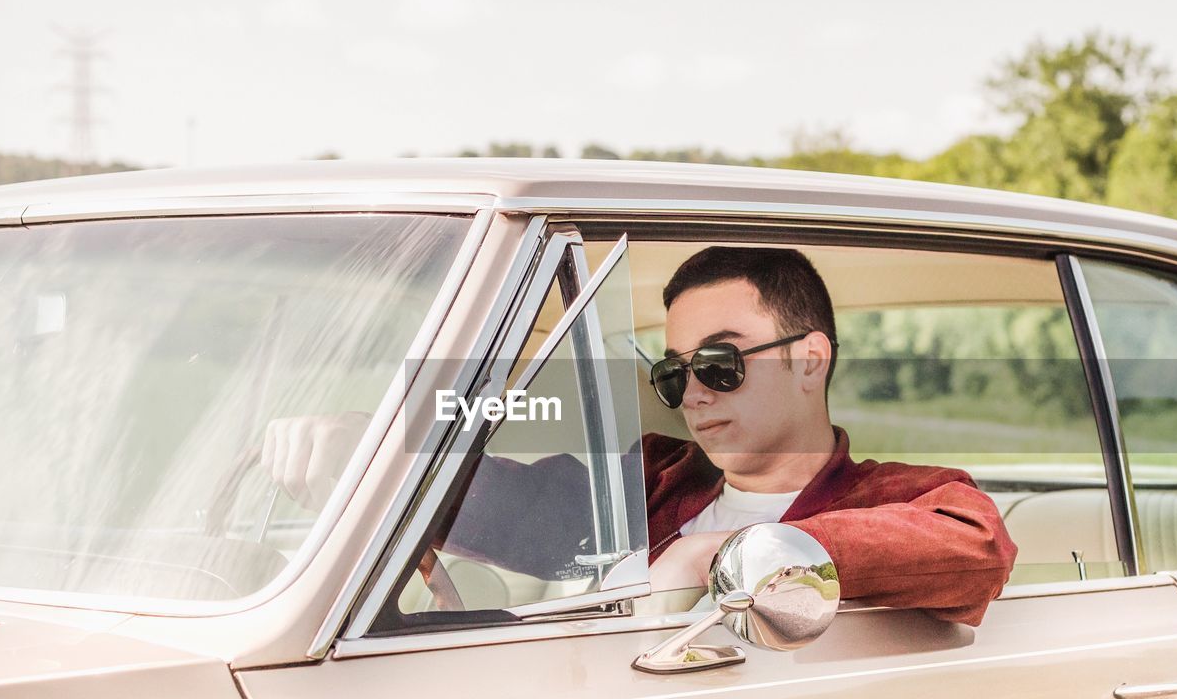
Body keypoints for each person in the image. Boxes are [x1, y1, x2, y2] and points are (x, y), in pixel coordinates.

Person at [264, 247, 1019, 626]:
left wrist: (726, 555)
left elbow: (975, 546)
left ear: (809, 359)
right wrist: (378, 462)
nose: (690, 391)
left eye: (720, 364)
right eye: (673, 372)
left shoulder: (894, 493)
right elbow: (512, 507)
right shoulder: (658, 474)